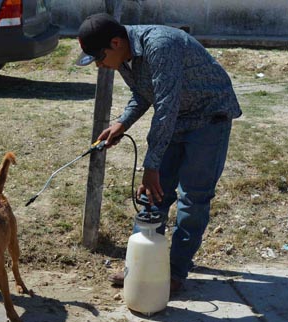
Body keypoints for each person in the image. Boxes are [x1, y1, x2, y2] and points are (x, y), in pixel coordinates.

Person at [76, 13, 241, 292]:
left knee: (193, 198)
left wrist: (151, 167)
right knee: (153, 197)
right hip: (177, 118)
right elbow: (144, 94)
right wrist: (121, 123)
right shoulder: (126, 57)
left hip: (209, 118)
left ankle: (175, 273)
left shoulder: (160, 46)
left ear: (116, 43)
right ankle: (141, 266)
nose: (100, 66)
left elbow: (166, 106)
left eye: (99, 58)